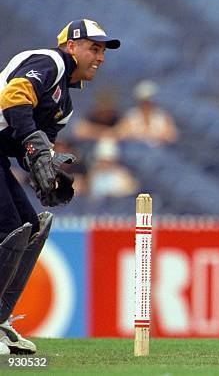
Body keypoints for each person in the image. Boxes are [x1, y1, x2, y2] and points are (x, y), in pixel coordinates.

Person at [0, 19, 120, 354]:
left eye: (103, 51)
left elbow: (31, 151)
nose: (100, 57)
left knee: (29, 227)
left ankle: (0, 319)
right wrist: (36, 147)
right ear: (71, 46)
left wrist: (47, 169)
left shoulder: (64, 106)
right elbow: (14, 96)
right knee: (10, 228)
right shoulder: (50, 62)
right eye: (94, 48)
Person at [117, 80, 178, 146]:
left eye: (149, 100)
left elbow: (172, 137)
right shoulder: (131, 117)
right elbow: (120, 134)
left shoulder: (163, 117)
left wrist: (162, 137)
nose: (147, 104)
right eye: (144, 101)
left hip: (159, 153)